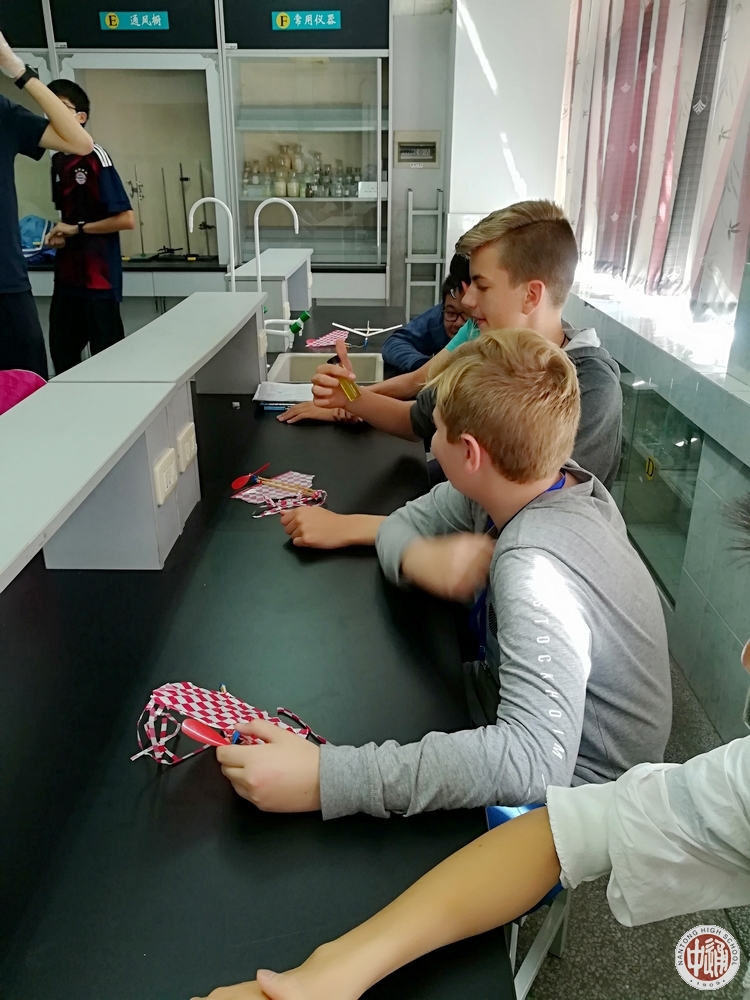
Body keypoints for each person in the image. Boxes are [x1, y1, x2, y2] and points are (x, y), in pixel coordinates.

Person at [214, 331, 671, 823]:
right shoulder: (524, 483)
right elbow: (402, 525)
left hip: (583, 802)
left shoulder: (534, 567)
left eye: (435, 429)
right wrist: (416, 558)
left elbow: (531, 762)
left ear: (470, 452)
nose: (429, 441)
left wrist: (326, 780)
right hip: (514, 707)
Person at [279, 200, 623, 550]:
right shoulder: (486, 351)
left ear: (531, 294)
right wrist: (350, 397)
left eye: (481, 286)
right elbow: (416, 419)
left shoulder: (591, 389)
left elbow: (530, 526)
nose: (468, 301)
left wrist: (360, 529)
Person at [0, 31, 94, 377]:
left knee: (29, 389)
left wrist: (16, 68)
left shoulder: (2, 113)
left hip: (6, 283)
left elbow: (80, 142)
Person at [43, 79, 134, 375]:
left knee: (108, 366)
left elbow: (126, 219)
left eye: (60, 107)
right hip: (67, 280)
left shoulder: (95, 157)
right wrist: (60, 235)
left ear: (80, 117)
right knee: (63, 358)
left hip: (99, 281)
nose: (51, 114)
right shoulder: (58, 161)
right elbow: (68, 217)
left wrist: (77, 229)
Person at [380, 255, 470, 374]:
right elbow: (395, 343)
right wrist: (427, 367)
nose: (459, 323)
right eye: (451, 312)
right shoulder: (440, 317)